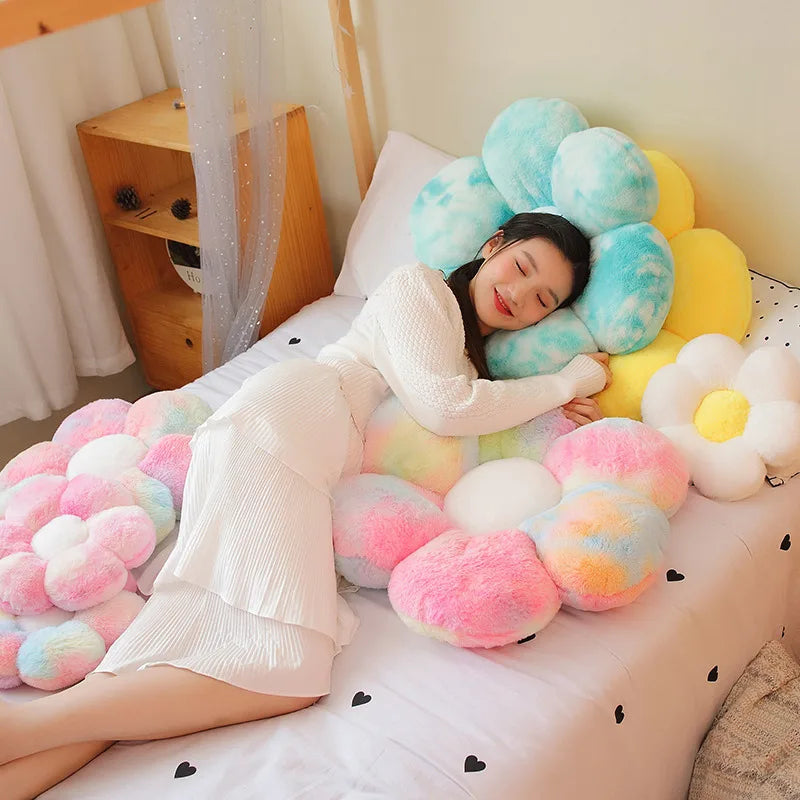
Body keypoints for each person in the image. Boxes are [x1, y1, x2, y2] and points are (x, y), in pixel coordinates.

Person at [0, 212, 612, 797]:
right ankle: (21, 727)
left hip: (303, 453)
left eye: (543, 300)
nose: (520, 294)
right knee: (289, 669)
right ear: (493, 245)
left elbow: (464, 410)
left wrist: (548, 405)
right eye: (521, 267)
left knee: (181, 649)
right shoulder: (419, 287)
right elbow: (446, 407)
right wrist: (565, 381)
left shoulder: (468, 365)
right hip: (289, 423)